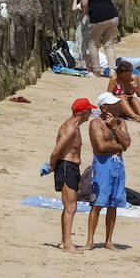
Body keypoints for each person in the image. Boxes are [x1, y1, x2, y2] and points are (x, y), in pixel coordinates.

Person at [86, 93, 132, 251]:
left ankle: (108, 240)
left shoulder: (120, 122)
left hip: (117, 164)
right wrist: (120, 146)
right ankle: (90, 240)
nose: (118, 106)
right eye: (114, 104)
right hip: (102, 165)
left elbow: (127, 142)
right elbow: (100, 147)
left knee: (114, 204)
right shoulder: (95, 124)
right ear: (104, 108)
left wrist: (114, 127)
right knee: (97, 203)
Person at [46, 98, 94, 253]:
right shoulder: (71, 128)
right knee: (71, 207)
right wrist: (51, 166)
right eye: (88, 111)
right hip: (67, 167)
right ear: (82, 112)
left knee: (69, 206)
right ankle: (67, 244)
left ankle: (63, 241)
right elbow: (56, 150)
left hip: (70, 167)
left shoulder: (75, 126)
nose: (90, 114)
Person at [73, 0, 119, 75]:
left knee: (93, 44)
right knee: (109, 44)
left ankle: (96, 71)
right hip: (113, 16)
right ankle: (112, 70)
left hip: (98, 17)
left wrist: (84, 14)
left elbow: (84, 3)